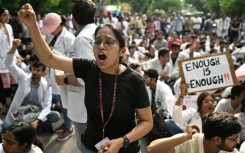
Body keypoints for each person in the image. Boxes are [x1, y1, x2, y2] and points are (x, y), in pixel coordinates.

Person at [19, 3, 153, 153]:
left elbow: (147, 122)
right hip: (90, 147)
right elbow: (48, 58)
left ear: (122, 51)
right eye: (97, 41)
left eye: (108, 42)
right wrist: (32, 26)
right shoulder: (88, 68)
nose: (101, 46)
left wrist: (122, 141)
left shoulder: (134, 80)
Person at [55, 0, 97, 148]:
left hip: (84, 106)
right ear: (94, 16)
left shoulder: (82, 39)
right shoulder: (95, 32)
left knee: (86, 146)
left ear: (73, 19)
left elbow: (87, 77)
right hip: (91, 104)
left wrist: (64, 78)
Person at [3, 39, 60, 133]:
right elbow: (8, 64)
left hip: (35, 115)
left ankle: (26, 130)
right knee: (6, 125)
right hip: (19, 114)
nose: (34, 72)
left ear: (43, 73)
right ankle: (29, 130)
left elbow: (46, 107)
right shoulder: (23, 78)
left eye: (38, 71)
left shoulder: (46, 86)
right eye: (33, 69)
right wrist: (13, 47)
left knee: (55, 115)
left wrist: (37, 121)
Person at [40, 12, 75, 141]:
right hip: (53, 75)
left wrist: (53, 52)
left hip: (64, 76)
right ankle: (66, 123)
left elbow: (72, 60)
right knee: (61, 101)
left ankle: (69, 127)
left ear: (59, 25)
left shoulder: (69, 38)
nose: (50, 32)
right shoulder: (51, 36)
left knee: (67, 103)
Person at [147, 112, 242, 153]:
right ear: (217, 140)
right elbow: (152, 149)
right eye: (234, 139)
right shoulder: (190, 141)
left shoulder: (229, 150)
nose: (238, 142)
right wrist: (184, 137)